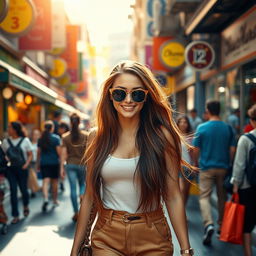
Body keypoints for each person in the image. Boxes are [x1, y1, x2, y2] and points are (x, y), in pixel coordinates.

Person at [70, 61, 194, 256]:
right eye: (120, 93)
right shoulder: (97, 136)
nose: (128, 100)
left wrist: (186, 250)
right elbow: (89, 196)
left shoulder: (162, 136)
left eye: (136, 93)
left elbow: (173, 195)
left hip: (153, 235)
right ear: (110, 95)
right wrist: (75, 248)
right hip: (107, 236)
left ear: (147, 97)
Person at [193, 100, 236, 246]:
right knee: (222, 197)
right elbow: (232, 150)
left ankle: (208, 224)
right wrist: (229, 163)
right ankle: (221, 227)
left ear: (208, 110)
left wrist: (195, 163)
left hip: (206, 167)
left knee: (204, 196)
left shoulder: (201, 127)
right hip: (223, 167)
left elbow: (196, 149)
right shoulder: (228, 128)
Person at [231, 104, 256, 256]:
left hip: (248, 187)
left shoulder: (246, 139)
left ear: (252, 120)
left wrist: (235, 186)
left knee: (247, 225)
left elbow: (239, 165)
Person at [1, 121, 33, 224]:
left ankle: (25, 205)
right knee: (13, 191)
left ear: (15, 129)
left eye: (10, 128)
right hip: (11, 170)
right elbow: (3, 156)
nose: (8, 130)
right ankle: (15, 215)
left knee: (24, 190)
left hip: (22, 169)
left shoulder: (25, 141)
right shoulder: (6, 142)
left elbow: (30, 155)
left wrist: (26, 165)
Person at [60, 113, 88, 222]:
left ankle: (76, 213)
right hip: (83, 165)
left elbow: (63, 154)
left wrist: (62, 168)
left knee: (72, 188)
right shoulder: (86, 135)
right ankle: (81, 195)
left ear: (70, 122)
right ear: (79, 122)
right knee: (82, 184)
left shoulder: (65, 137)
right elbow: (89, 151)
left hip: (70, 164)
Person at [37, 121, 61, 212]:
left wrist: (38, 164)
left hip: (44, 163)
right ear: (52, 128)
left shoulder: (41, 139)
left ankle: (46, 198)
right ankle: (54, 200)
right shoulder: (56, 138)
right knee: (54, 182)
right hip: (54, 163)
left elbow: (38, 153)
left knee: (45, 182)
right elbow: (58, 152)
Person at [176, 115, 194, 205]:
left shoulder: (191, 138)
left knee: (186, 192)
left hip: (189, 167)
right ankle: (180, 213)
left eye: (185, 122)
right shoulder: (174, 136)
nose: (183, 124)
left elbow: (194, 153)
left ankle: (183, 210)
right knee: (181, 190)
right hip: (178, 167)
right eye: (181, 122)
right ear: (177, 123)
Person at [28, 129, 41, 198]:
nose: (35, 136)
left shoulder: (40, 144)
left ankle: (35, 188)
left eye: (37, 135)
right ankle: (33, 190)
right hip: (30, 162)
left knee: (35, 176)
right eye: (34, 134)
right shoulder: (29, 143)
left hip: (37, 161)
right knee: (32, 176)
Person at [58, 121, 70, 192]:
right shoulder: (64, 136)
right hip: (66, 157)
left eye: (59, 128)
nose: (58, 130)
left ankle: (62, 182)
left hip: (65, 157)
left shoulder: (65, 137)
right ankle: (62, 183)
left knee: (62, 170)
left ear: (63, 128)